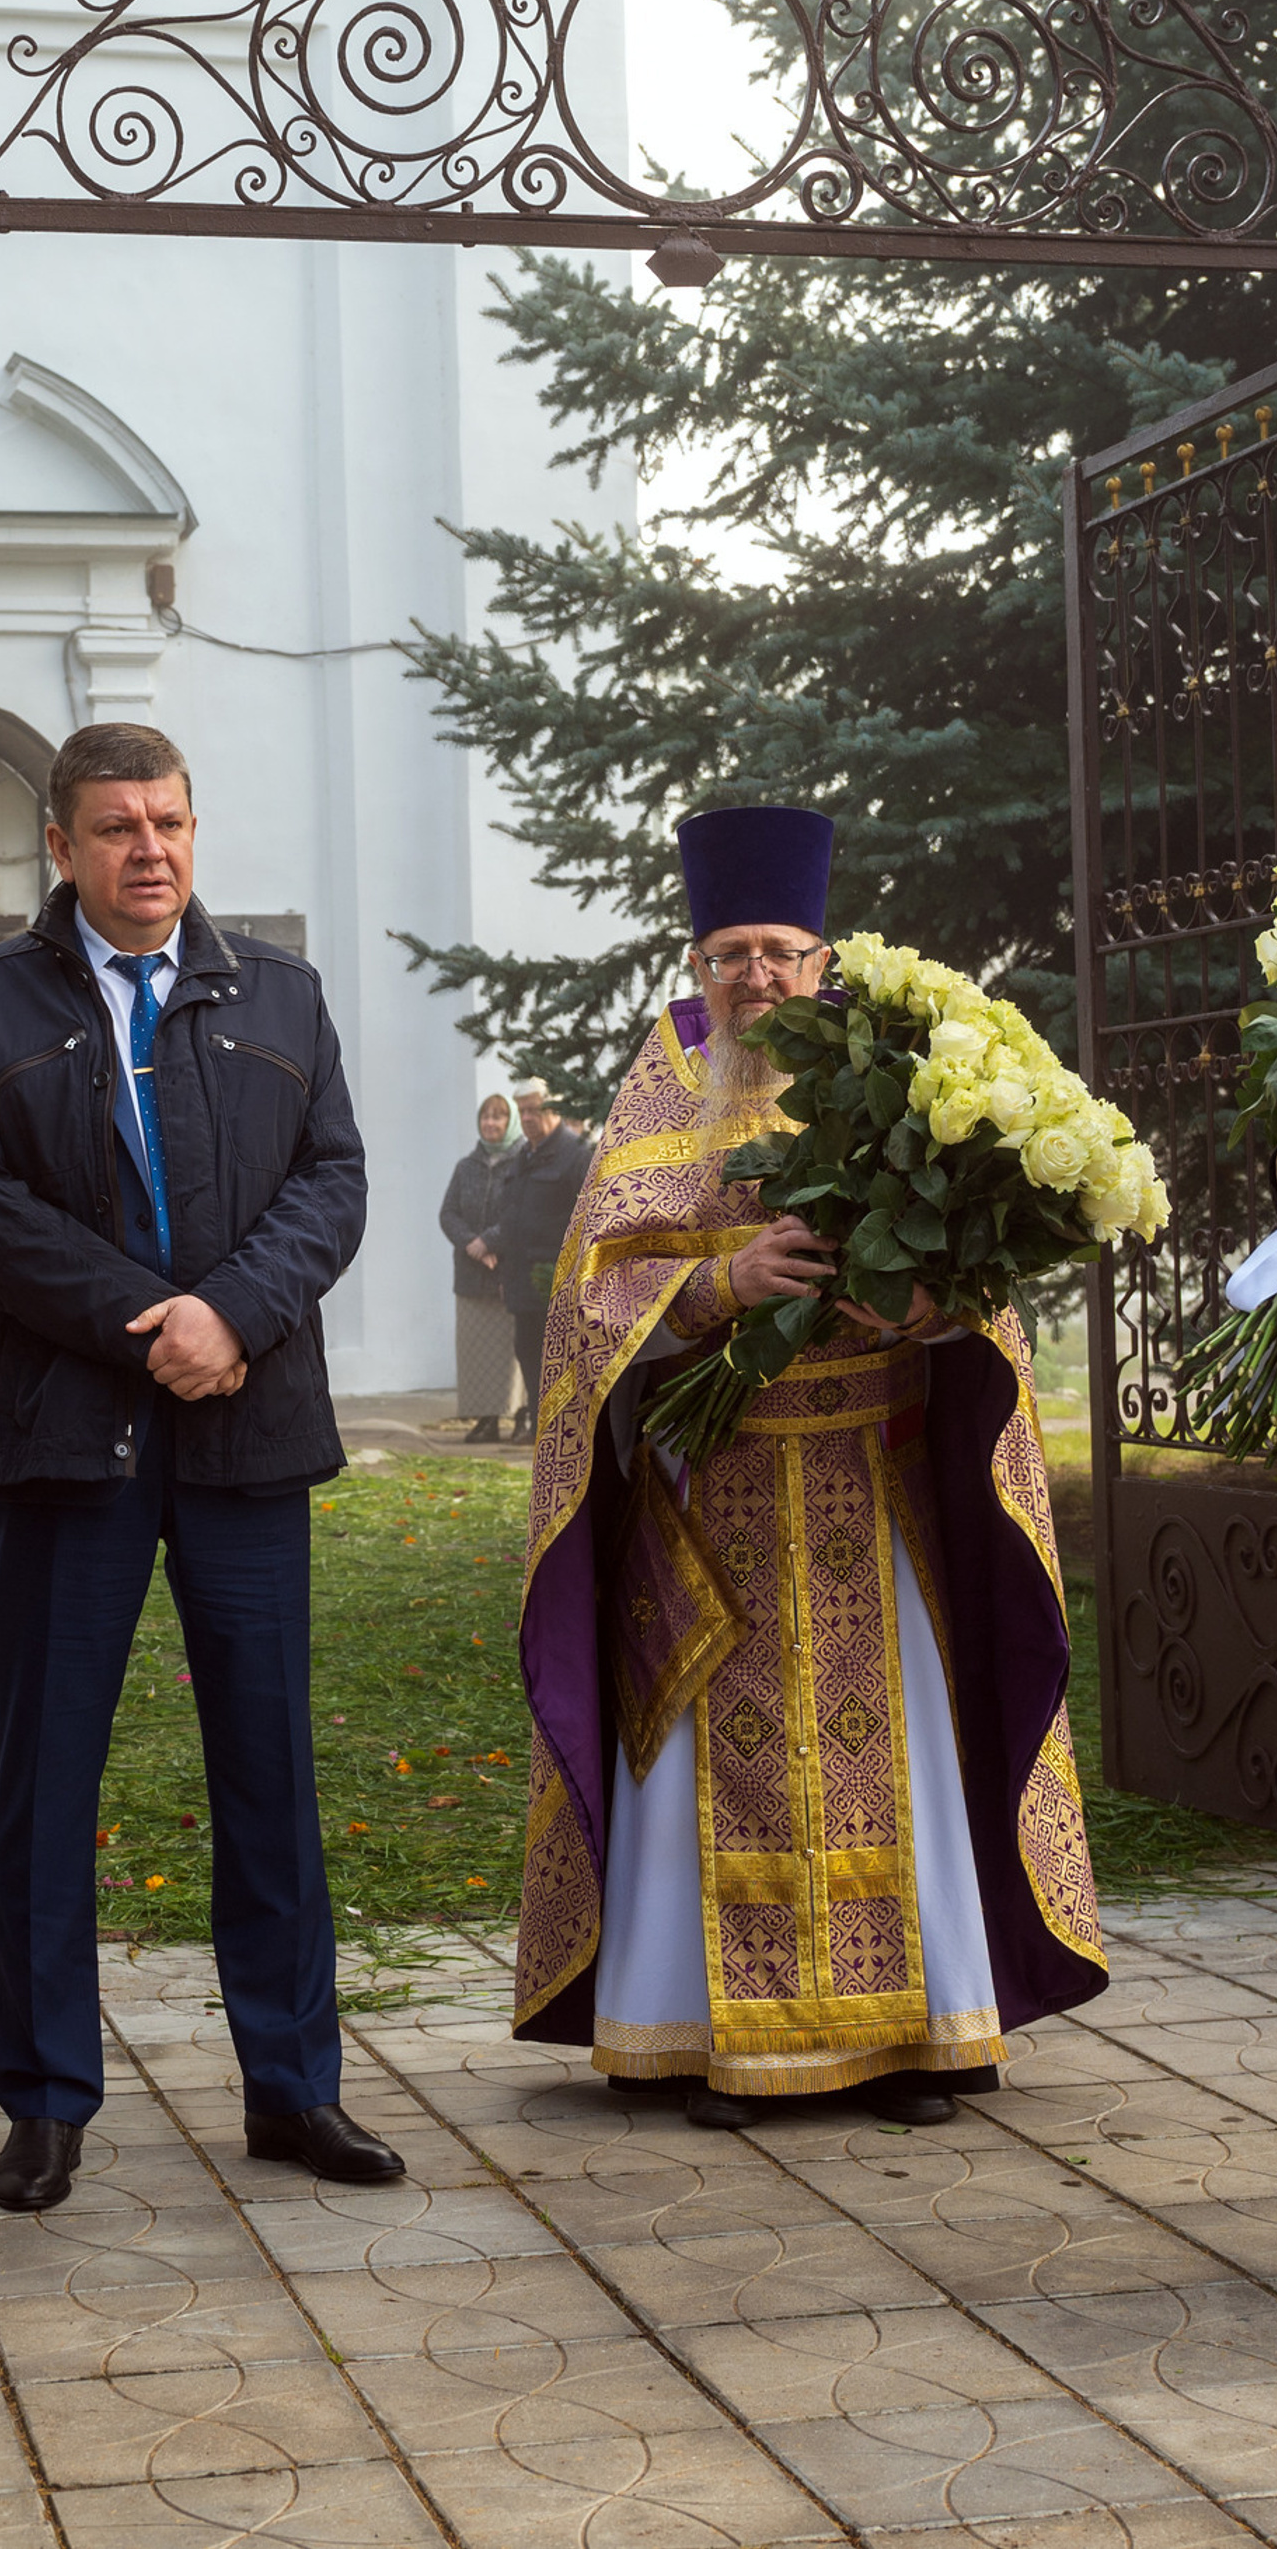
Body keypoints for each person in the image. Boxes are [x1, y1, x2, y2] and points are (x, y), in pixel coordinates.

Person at [510, 805, 1108, 2129]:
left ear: (824, 960)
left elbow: (986, 1285)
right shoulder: (665, 1082)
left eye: (779, 950)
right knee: (717, 1761)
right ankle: (713, 2034)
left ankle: (915, 2037)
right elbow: (589, 1290)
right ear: (700, 961)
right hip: (713, 1487)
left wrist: (930, 1308)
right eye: (728, 952)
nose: (755, 978)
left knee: (894, 1742)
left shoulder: (906, 1072)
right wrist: (726, 1281)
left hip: (874, 1476)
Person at [0, 720, 389, 2211]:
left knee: (269, 1772)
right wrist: (157, 1330)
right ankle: (47, 2099)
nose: (150, 851)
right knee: (50, 1777)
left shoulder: (282, 995)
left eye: (170, 822)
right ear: (60, 846)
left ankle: (294, 2091)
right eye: (117, 826)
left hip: (247, 1437)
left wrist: (234, 1315)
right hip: (69, 1444)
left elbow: (334, 1180)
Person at [481, 1079, 594, 1444]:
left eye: (535, 1109)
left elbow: (589, 1219)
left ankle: (565, 1430)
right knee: (527, 1351)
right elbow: (511, 1217)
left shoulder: (576, 1154)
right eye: (523, 1111)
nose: (528, 1118)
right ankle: (539, 1425)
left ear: (555, 1110)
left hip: (556, 1283)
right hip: (521, 1281)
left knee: (560, 1358)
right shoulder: (522, 1158)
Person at [440, 1093, 522, 1443]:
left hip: (508, 1273)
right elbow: (448, 1213)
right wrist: (473, 1245)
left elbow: (521, 1214)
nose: (490, 1123)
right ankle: (486, 1419)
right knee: (476, 1352)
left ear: (510, 1121)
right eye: (486, 1117)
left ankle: (522, 1415)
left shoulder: (522, 1162)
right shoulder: (466, 1166)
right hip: (472, 1276)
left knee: (513, 1353)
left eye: (498, 1117)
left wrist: (490, 1241)